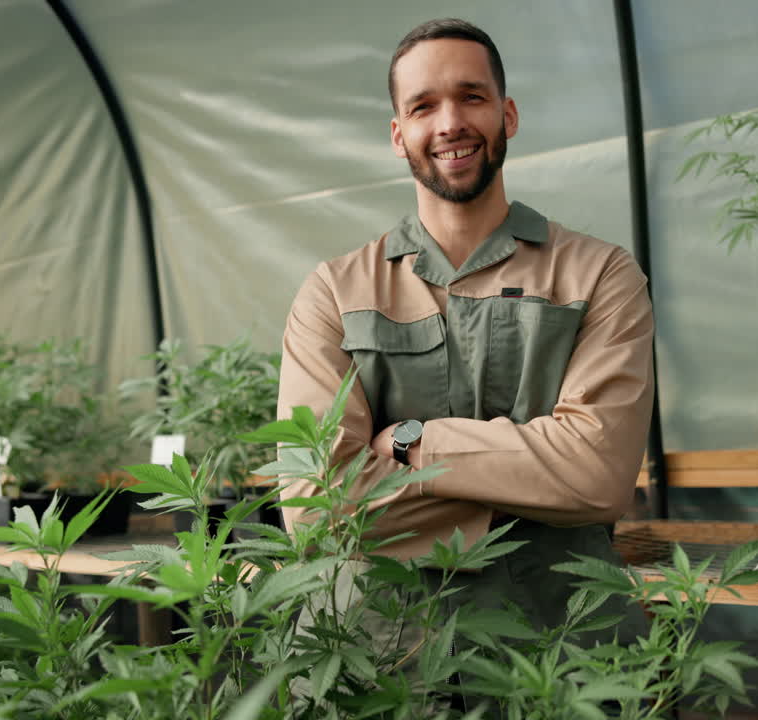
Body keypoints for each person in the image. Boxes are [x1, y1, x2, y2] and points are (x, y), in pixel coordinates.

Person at [276, 16, 654, 659]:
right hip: (385, 657)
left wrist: (413, 444)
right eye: (423, 106)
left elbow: (597, 474)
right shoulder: (335, 292)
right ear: (398, 134)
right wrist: (524, 499)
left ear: (508, 115)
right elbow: (314, 503)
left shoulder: (599, 275)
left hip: (559, 649)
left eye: (471, 97)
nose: (450, 122)